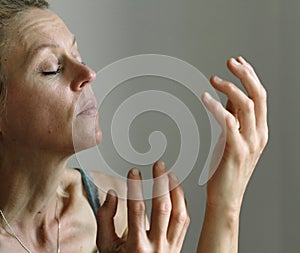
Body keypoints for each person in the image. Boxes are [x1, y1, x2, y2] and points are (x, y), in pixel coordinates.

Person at [0, 1, 268, 252]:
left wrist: (225, 203)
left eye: (76, 54)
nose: (88, 74)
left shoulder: (113, 207)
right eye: (52, 68)